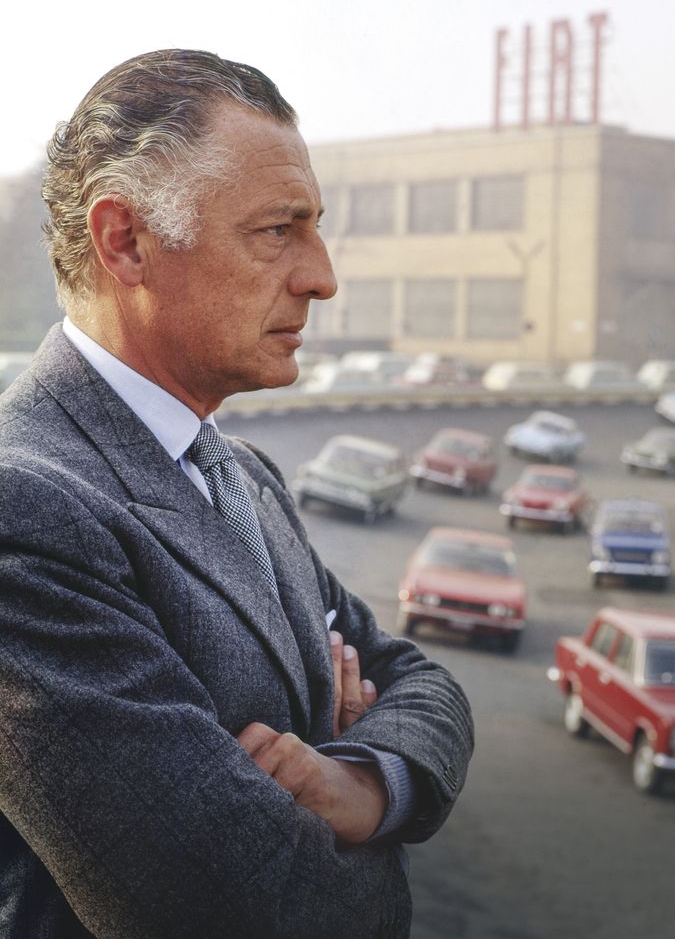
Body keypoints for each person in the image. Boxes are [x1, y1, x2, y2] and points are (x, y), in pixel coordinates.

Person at [0, 49, 474, 939]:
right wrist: (371, 833)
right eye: (276, 231)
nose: (321, 276)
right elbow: (242, 909)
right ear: (125, 242)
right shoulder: (23, 511)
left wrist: (361, 783)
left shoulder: (243, 473)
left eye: (315, 228)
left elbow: (420, 678)